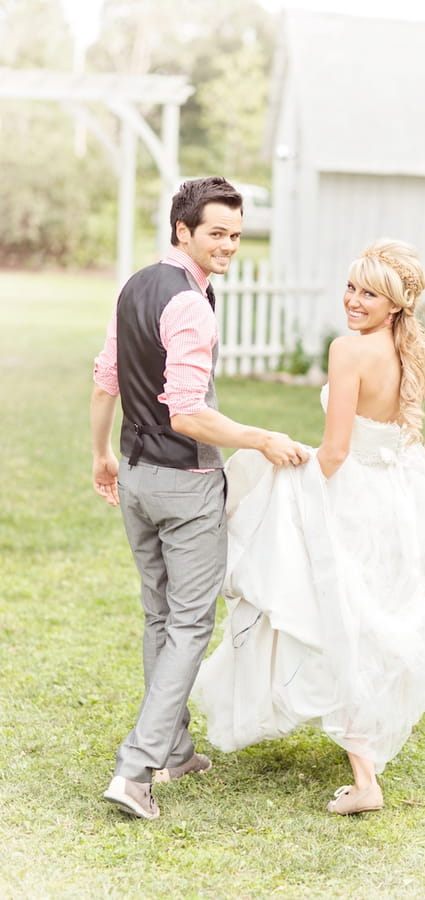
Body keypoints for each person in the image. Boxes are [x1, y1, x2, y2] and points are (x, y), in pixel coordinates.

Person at [191, 238, 425, 815]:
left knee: (337, 612)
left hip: (350, 496)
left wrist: (298, 496)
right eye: (351, 287)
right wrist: (411, 468)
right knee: (370, 613)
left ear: (395, 303)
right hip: (395, 500)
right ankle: (363, 752)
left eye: (369, 292)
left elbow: (337, 450)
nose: (353, 300)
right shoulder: (412, 348)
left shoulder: (348, 352)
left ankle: (366, 779)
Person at [91, 176, 308, 821]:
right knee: (188, 623)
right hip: (183, 486)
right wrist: (260, 437)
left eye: (237, 236)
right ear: (182, 229)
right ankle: (136, 771)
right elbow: (187, 414)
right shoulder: (189, 304)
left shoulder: (135, 285)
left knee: (161, 616)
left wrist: (100, 453)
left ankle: (177, 749)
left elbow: (107, 375)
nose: (229, 246)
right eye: (217, 233)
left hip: (134, 476)